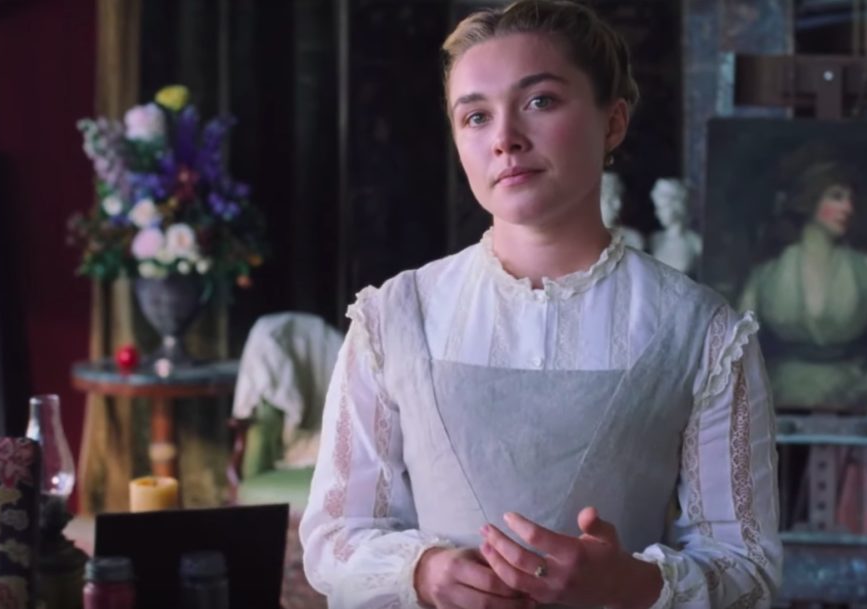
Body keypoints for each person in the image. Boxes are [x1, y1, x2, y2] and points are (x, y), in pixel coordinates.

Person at [300, 2, 781, 608]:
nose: (505, 139)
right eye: (476, 116)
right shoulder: (394, 318)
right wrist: (423, 572)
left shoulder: (701, 332)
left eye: (540, 101)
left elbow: (748, 568)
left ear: (613, 122)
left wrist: (629, 584)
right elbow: (335, 536)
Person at [737, 159, 867, 411]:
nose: (848, 208)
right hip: (783, 389)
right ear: (809, 201)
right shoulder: (767, 273)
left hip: (854, 387)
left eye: (850, 199)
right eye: (836, 197)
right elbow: (740, 343)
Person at [647, 178, 701, 275]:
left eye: (662, 208)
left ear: (677, 206)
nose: (657, 213)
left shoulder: (695, 242)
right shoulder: (655, 239)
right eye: (657, 208)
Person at [599, 171, 646, 250]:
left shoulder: (632, 239)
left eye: (620, 196)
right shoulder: (583, 239)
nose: (619, 205)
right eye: (611, 199)